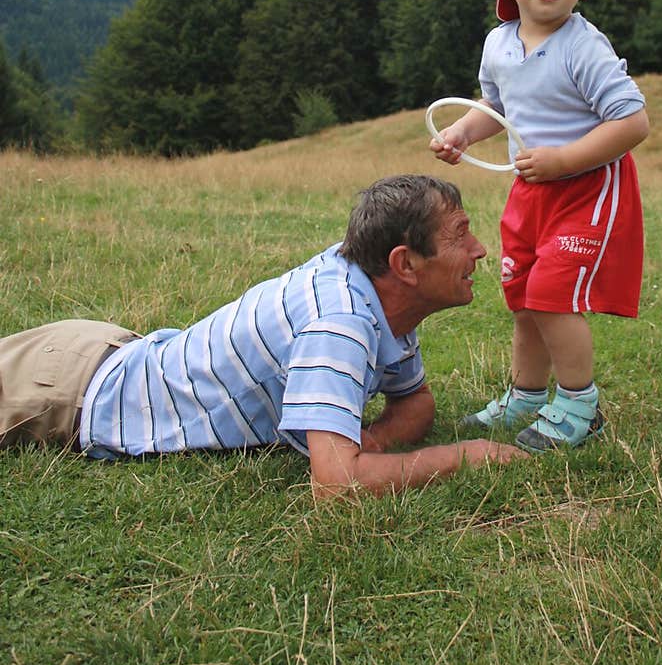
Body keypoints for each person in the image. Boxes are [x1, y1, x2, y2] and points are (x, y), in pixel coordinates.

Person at [0, 174, 528, 500]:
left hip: (106, 352)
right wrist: (470, 455)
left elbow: (416, 403)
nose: (480, 250)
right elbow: (338, 487)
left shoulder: (383, 296)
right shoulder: (339, 320)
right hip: (65, 393)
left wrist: (374, 443)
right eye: (459, 236)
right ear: (405, 264)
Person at [430, 0, 649, 453]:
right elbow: (496, 111)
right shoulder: (499, 45)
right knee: (524, 296)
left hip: (586, 189)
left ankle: (580, 405)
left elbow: (633, 122)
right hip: (530, 192)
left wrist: (563, 161)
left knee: (553, 295)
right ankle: (527, 396)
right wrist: (460, 132)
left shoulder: (584, 47)